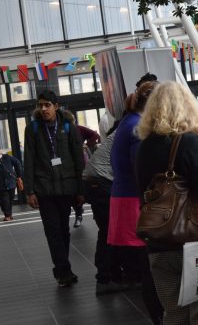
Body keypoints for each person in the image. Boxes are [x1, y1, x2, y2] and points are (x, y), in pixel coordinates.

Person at [135, 81, 198, 324]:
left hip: (159, 243)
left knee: (174, 313)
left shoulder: (144, 148)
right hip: (197, 242)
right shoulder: (188, 142)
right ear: (188, 107)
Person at [108, 81, 163, 324]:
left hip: (128, 197)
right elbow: (144, 169)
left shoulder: (129, 122)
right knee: (151, 267)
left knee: (148, 266)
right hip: (134, 200)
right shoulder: (136, 127)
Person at [24, 91, 85, 287]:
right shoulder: (32, 129)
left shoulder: (68, 126)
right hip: (44, 189)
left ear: (56, 106)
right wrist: (30, 191)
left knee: (63, 230)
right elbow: (29, 161)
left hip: (67, 187)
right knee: (53, 231)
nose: (43, 109)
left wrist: (80, 189)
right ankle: (63, 271)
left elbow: (78, 159)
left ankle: (63, 268)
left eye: (47, 105)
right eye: (40, 105)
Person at [83, 119, 125, 295]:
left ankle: (112, 274)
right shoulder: (132, 128)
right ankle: (105, 278)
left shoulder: (122, 128)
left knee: (109, 228)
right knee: (109, 229)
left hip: (96, 181)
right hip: (101, 182)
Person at [72, 124, 101, 227]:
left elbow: (95, 135)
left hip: (82, 164)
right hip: (73, 166)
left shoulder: (77, 129)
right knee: (76, 192)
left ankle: (88, 212)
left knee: (87, 190)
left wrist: (88, 145)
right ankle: (79, 213)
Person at [0, 145, 23, 221]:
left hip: (11, 182)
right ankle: (7, 215)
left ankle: (9, 214)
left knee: (10, 199)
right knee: (4, 199)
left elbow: (17, 162)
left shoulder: (7, 157)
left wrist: (19, 175)